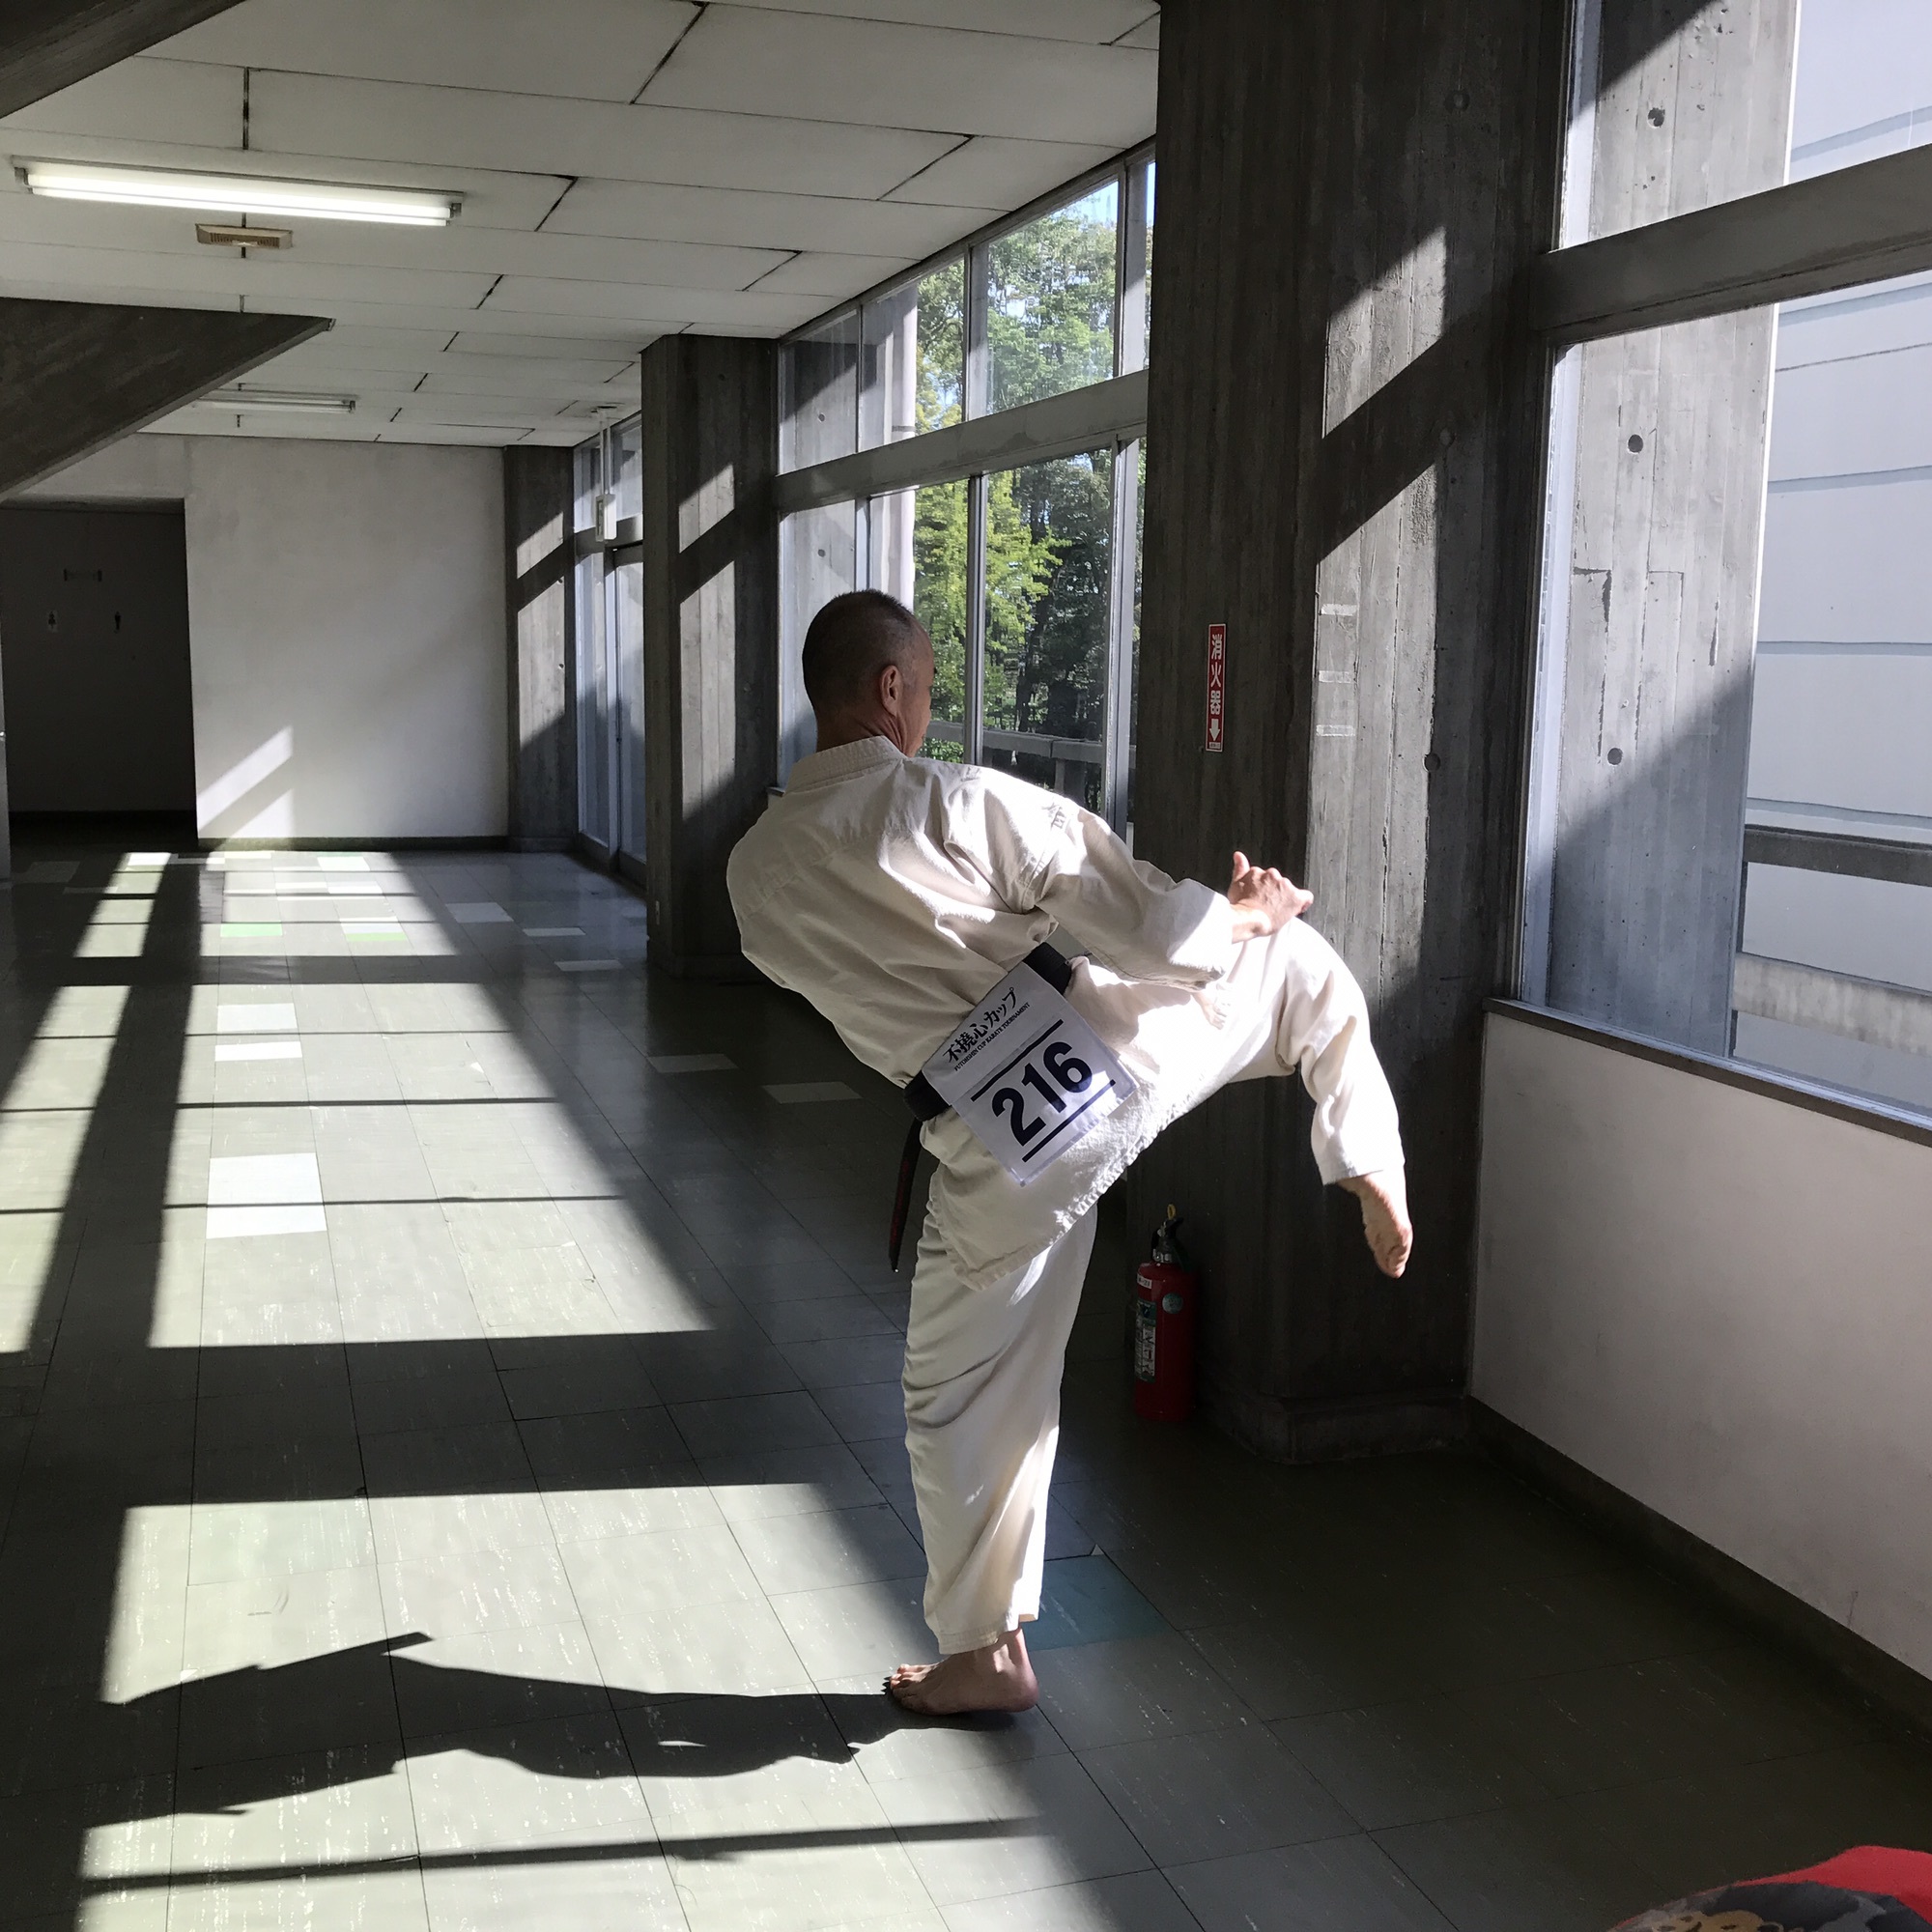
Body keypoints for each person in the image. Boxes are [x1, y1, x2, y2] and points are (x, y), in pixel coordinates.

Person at [726, 590, 1411, 1717]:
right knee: (1295, 967)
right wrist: (1239, 916)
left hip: (990, 1138)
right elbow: (1130, 910)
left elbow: (835, 972)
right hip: (1108, 1051)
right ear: (891, 689)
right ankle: (1364, 1153)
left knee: (957, 1396)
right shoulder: (952, 798)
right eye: (925, 685)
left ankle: (984, 1652)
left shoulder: (754, 877)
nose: (926, 708)